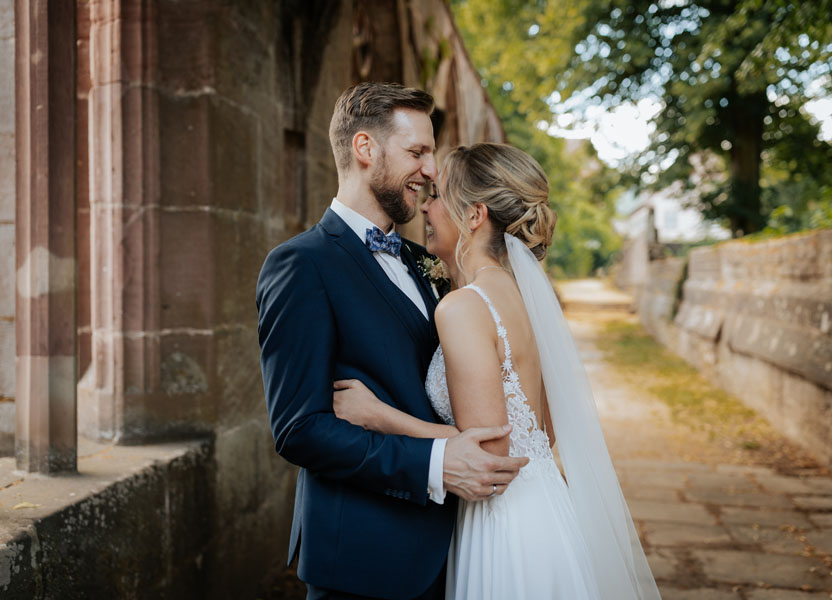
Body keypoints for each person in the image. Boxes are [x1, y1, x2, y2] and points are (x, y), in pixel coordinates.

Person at [333, 143, 662, 599]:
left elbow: (492, 451)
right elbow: (541, 434)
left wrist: (378, 415)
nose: (426, 206)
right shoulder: (525, 298)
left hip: (505, 527)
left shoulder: (465, 307)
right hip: (546, 510)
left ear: (474, 216)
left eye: (439, 195)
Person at [256, 83, 529, 600]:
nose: (431, 171)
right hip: (365, 558)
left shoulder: (425, 261)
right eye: (418, 153)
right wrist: (435, 464)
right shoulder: (301, 265)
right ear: (365, 149)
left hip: (456, 548)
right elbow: (300, 430)